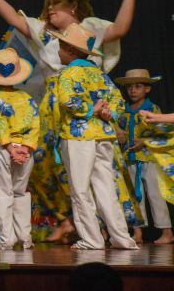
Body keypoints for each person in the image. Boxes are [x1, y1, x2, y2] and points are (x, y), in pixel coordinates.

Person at [0, 0, 136, 242]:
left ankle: (99, 227)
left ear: (72, 7)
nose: (49, 9)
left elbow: (120, 28)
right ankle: (69, 220)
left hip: (88, 108)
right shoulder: (43, 32)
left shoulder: (90, 29)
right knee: (45, 165)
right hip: (52, 107)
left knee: (95, 170)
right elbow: (13, 18)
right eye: (48, 5)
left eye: (55, 4)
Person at [52, 23, 137, 250]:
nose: (58, 51)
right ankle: (121, 238)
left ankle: (92, 239)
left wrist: (91, 110)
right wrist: (108, 112)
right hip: (103, 135)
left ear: (70, 50)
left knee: (80, 189)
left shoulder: (68, 73)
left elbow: (67, 101)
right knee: (105, 187)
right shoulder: (99, 74)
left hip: (79, 136)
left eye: (60, 46)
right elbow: (119, 102)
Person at [0, 48, 40, 250]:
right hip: (25, 150)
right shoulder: (27, 98)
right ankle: (25, 238)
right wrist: (26, 148)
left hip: (3, 149)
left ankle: (7, 239)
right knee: (20, 192)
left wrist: (10, 148)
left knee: (2, 193)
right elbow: (35, 124)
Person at [115, 69, 173, 244]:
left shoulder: (153, 109)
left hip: (149, 158)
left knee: (155, 195)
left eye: (138, 86)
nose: (133, 90)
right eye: (130, 87)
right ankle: (137, 231)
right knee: (133, 197)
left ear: (147, 89)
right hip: (130, 158)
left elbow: (160, 130)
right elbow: (119, 130)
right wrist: (119, 135)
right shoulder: (123, 111)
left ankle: (167, 231)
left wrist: (144, 141)